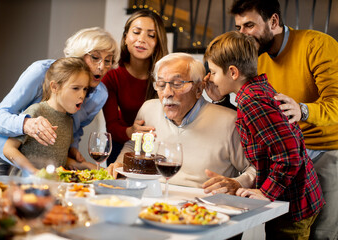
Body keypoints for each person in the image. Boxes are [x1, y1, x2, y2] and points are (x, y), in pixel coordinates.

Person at [230, 0, 338, 239]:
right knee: (282, 231)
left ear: (274, 21)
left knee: (322, 233)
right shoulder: (257, 58)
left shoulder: (317, 44)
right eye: (239, 27)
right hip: (288, 155)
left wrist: (303, 111)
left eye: (249, 25)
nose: (243, 34)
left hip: (326, 151)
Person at [204, 30, 325, 239]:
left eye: (213, 72)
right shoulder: (255, 90)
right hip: (298, 197)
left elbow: (289, 156)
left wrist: (266, 192)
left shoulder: (253, 102)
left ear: (233, 72)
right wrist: (219, 95)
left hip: (292, 205)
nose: (210, 78)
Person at [0, 27, 118, 177]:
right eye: (95, 58)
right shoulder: (41, 72)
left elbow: (75, 128)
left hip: (37, 161)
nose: (102, 66)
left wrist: (72, 150)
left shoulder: (100, 94)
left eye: (108, 60)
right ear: (78, 55)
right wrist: (27, 124)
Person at [107, 52, 256, 192]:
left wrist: (238, 183)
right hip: (153, 199)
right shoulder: (149, 109)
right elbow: (134, 145)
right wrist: (121, 165)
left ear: (199, 89)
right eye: (161, 84)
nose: (167, 93)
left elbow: (255, 167)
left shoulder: (229, 121)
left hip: (203, 208)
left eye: (177, 84)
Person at [4, 58, 96, 175]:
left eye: (85, 89)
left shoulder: (69, 120)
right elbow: (8, 149)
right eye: (75, 88)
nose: (82, 95)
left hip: (52, 186)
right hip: (26, 185)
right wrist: (33, 171)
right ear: (54, 87)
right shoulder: (36, 112)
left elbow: (59, 158)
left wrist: (83, 165)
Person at [102, 9, 168, 165]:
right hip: (124, 142)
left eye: (151, 35)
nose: (142, 39)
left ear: (158, 42)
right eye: (136, 32)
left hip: (158, 143)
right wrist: (131, 131)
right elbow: (112, 127)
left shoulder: (165, 75)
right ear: (125, 38)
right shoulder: (112, 77)